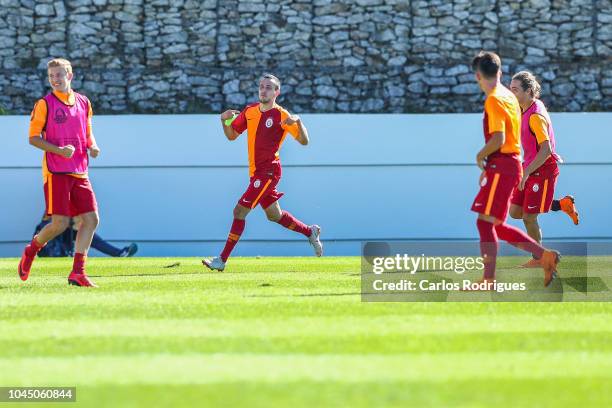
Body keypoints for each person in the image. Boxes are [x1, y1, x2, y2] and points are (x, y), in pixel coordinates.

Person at [203, 74, 322, 271]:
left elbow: (304, 141)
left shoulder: (281, 115)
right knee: (275, 215)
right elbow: (232, 135)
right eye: (261, 86)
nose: (263, 90)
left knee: (239, 211)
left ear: (277, 92)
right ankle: (310, 232)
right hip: (256, 172)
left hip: (268, 172)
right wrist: (223, 121)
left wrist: (298, 122)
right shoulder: (250, 111)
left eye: (268, 87)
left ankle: (221, 260)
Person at [469, 51, 560, 288]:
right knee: (497, 223)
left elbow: (499, 139)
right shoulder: (510, 97)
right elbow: (511, 139)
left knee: (485, 223)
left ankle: (489, 279)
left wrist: (481, 156)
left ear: (478, 75)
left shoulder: (494, 99)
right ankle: (543, 256)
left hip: (504, 166)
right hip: (508, 165)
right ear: (499, 72)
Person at [18, 58, 100, 287]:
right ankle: (31, 250)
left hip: (80, 170)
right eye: (51, 76)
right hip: (56, 172)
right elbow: (33, 138)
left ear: (70, 76)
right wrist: (59, 151)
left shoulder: (84, 102)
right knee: (59, 224)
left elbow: (87, 133)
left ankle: (77, 273)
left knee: (91, 220)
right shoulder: (44, 104)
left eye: (59, 75)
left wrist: (93, 146)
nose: (55, 79)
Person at [509, 71, 580, 268]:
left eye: (515, 89)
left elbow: (546, 149)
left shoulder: (535, 115)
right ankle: (561, 204)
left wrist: (528, 172)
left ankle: (539, 258)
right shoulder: (525, 109)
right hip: (530, 166)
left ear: (529, 91)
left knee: (529, 217)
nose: (511, 92)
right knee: (515, 212)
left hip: (543, 169)